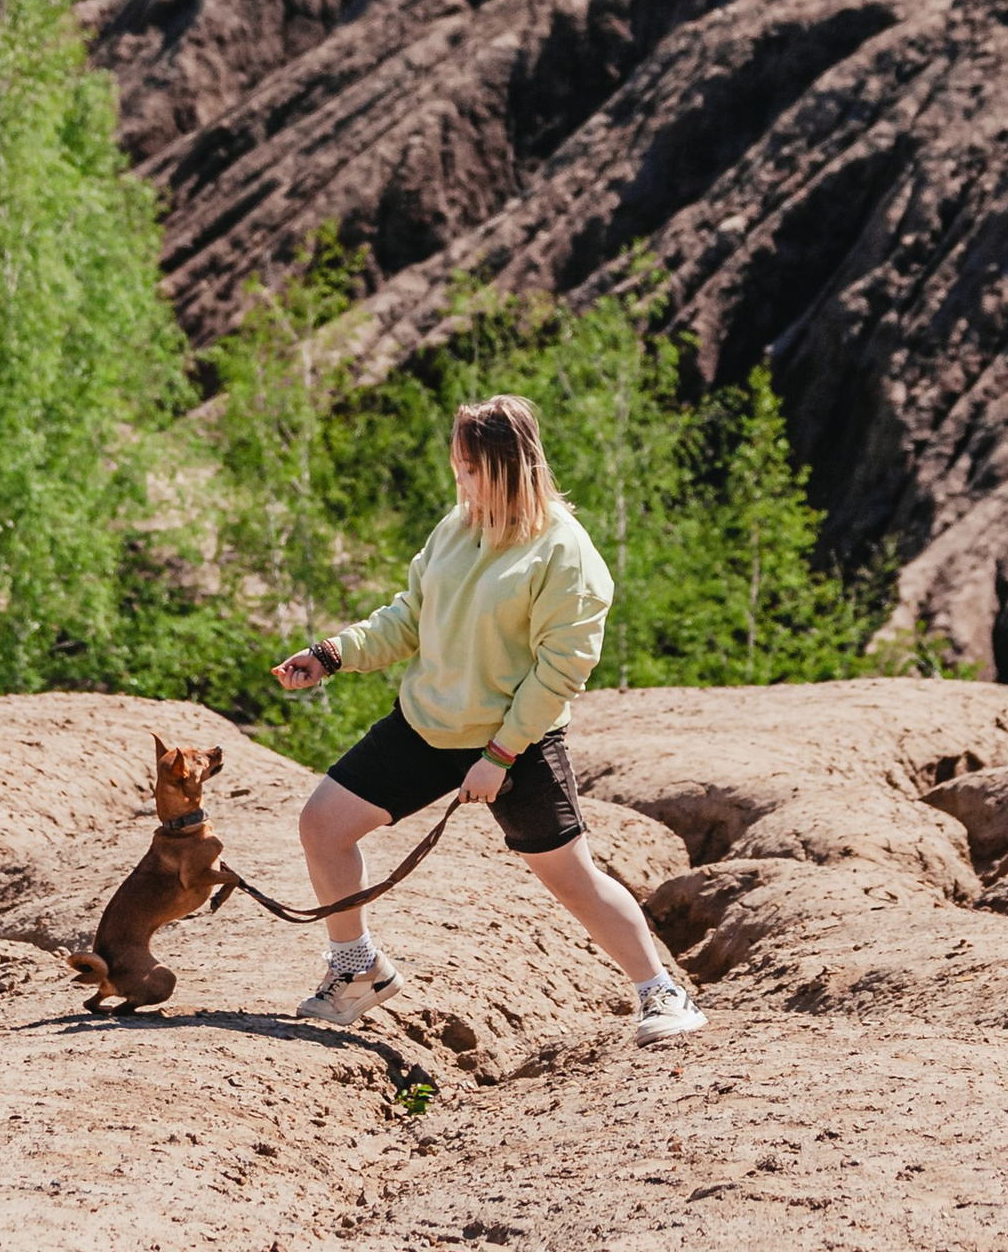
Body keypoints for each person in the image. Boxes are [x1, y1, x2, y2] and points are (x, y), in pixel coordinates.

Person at [270, 393, 707, 1044]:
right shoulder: (457, 526)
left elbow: (560, 671)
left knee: (573, 879)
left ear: (508, 465)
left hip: (519, 740)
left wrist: (499, 755)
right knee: (323, 825)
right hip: (426, 725)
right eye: (456, 467)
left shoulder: (566, 553)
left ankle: (661, 992)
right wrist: (332, 654)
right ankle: (356, 968)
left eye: (469, 468)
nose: (459, 482)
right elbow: (408, 616)